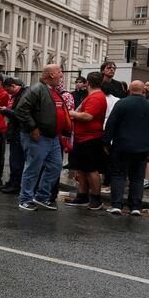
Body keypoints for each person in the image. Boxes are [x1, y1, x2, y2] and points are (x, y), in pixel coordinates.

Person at [15, 64, 70, 211]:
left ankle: (41, 196)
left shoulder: (52, 91)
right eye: (59, 72)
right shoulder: (36, 89)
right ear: (51, 75)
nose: (61, 75)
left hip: (52, 138)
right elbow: (21, 110)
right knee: (33, 168)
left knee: (56, 166)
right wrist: (33, 128)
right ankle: (25, 199)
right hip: (38, 137)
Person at [104, 81, 149, 215]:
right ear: (143, 92)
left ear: (129, 90)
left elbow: (111, 124)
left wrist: (106, 143)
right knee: (137, 178)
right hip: (143, 148)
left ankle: (116, 204)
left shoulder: (121, 104)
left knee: (118, 176)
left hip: (121, 146)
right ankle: (135, 207)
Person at [65, 72, 107, 209]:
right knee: (82, 169)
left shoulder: (96, 97)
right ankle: (82, 196)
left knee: (91, 170)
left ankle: (96, 198)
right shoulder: (94, 96)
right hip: (82, 137)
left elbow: (88, 116)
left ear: (87, 83)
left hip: (90, 138)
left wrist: (72, 113)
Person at [0, 77, 27, 194]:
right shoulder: (18, 96)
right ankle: (12, 182)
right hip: (16, 132)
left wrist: (7, 110)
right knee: (13, 160)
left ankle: (15, 185)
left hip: (19, 132)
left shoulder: (24, 96)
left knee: (17, 161)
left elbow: (21, 115)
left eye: (9, 90)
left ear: (13, 86)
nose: (8, 94)